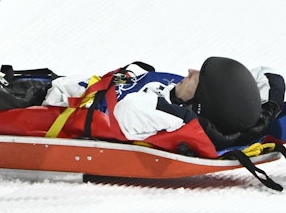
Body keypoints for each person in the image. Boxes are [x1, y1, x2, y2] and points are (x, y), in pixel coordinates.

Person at [44, 56, 285, 149]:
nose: (190, 70)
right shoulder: (182, 96)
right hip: (78, 85)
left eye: (196, 77)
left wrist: (181, 108)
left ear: (200, 99)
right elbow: (270, 75)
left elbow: (127, 110)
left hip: (57, 104)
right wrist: (270, 109)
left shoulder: (165, 117)